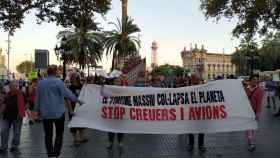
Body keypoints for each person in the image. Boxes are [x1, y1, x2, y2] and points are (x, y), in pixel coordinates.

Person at [34, 65, 83, 158]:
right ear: (56, 72)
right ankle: (56, 155)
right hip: (58, 113)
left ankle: (50, 155)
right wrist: (78, 100)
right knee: (59, 134)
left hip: (46, 113)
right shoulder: (58, 82)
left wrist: (36, 110)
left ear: (47, 72)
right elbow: (67, 93)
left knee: (48, 135)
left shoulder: (41, 83)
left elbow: (37, 98)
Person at [0, 81, 25, 154]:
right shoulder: (7, 95)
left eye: (13, 87)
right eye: (11, 87)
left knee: (16, 132)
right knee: (3, 131)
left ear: (16, 87)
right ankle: (3, 147)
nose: (12, 88)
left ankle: (14, 146)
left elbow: (26, 103)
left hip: (17, 116)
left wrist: (23, 111)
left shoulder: (21, 94)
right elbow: (3, 104)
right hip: (6, 116)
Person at [187, 72, 206, 152]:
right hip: (191, 112)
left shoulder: (203, 88)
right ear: (192, 79)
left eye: (197, 78)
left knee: (201, 129)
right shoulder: (187, 88)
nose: (196, 80)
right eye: (195, 78)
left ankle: (201, 145)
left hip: (200, 111)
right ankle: (191, 144)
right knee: (190, 129)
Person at [244, 74, 264, 152]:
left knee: (250, 127)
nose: (255, 81)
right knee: (248, 127)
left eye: (257, 79)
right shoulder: (246, 88)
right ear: (250, 80)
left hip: (254, 112)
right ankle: (250, 141)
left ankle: (251, 142)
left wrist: (258, 113)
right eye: (254, 79)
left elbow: (259, 103)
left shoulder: (259, 90)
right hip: (245, 111)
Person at [67, 74, 87, 146]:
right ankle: (75, 140)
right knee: (74, 125)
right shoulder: (70, 88)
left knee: (81, 123)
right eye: (73, 77)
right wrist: (70, 110)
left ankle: (82, 138)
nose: (74, 79)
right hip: (73, 108)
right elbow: (68, 99)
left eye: (75, 77)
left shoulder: (81, 86)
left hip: (80, 108)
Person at [105, 77, 125, 150]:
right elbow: (102, 93)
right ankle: (110, 142)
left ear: (120, 82)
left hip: (120, 112)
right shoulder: (109, 89)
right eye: (116, 81)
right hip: (111, 112)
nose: (117, 82)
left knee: (120, 128)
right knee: (110, 128)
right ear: (113, 82)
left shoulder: (124, 90)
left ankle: (120, 142)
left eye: (118, 81)